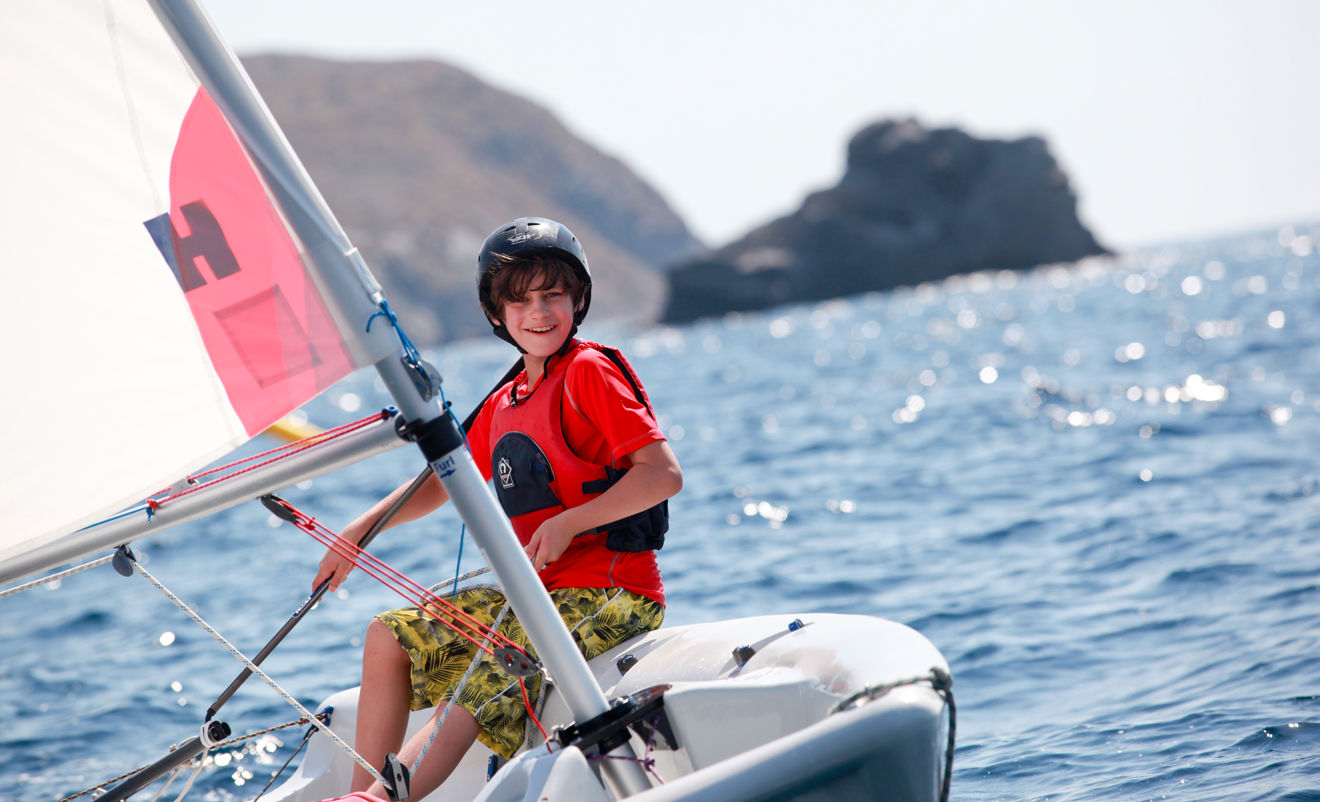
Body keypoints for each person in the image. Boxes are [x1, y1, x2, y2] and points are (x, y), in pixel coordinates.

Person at [314, 217, 682, 799]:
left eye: (553, 295)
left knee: (494, 662)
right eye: (521, 301)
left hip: (613, 592)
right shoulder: (506, 400)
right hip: (535, 597)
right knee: (388, 635)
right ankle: (359, 793)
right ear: (496, 314)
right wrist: (358, 533)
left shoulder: (589, 372)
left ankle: (381, 799)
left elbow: (662, 475)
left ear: (578, 299)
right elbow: (442, 483)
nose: (540, 312)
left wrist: (570, 522)